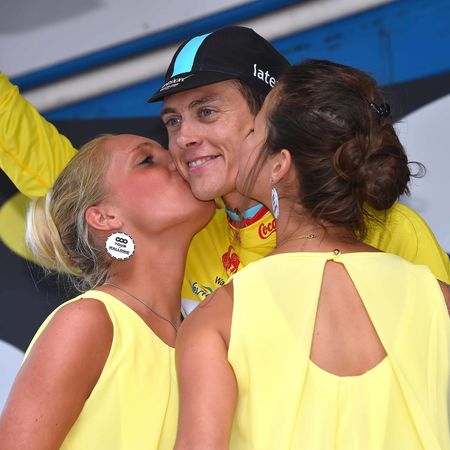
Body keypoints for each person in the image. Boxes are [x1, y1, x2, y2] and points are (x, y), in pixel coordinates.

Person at [1, 27, 449, 316]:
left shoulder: (385, 228)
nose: (184, 137)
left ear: (271, 115)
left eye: (207, 112)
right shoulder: (181, 235)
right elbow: (68, 178)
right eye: (173, 121)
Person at [174, 60, 450, 450]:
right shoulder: (438, 298)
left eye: (255, 130)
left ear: (279, 165)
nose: (244, 141)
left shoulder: (218, 319)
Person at [0, 134, 215, 449]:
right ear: (104, 217)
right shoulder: (88, 321)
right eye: (146, 160)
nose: (177, 158)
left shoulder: (208, 335)